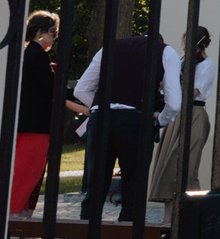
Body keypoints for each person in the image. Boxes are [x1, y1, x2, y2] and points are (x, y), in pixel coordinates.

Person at [71, 27, 183, 223]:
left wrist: (99, 106)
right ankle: (125, 236)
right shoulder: (165, 52)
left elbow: (80, 90)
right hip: (135, 120)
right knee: (133, 183)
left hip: (101, 119)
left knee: (95, 182)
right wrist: (160, 118)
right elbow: (174, 102)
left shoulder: (110, 47)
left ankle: (86, 234)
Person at [149, 25, 216, 211]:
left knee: (187, 164)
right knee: (168, 163)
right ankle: (168, 216)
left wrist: (178, 79)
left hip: (194, 114)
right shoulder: (183, 61)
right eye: (185, 42)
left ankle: (191, 212)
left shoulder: (206, 65)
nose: (186, 46)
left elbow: (192, 93)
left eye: (189, 42)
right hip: (178, 114)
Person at [10, 12, 63, 216]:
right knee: (27, 173)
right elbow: (51, 87)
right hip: (37, 124)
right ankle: (14, 215)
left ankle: (16, 214)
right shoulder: (38, 55)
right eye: (52, 33)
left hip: (22, 121)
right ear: (40, 32)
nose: (54, 38)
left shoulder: (23, 54)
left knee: (19, 169)